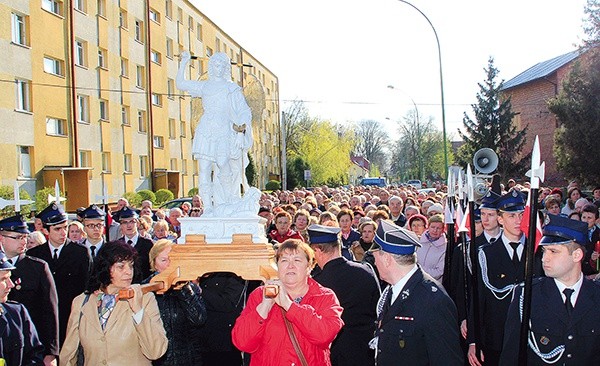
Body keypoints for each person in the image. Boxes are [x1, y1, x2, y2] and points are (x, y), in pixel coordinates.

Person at [499, 214, 600, 365]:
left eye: (553, 251)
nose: (545, 258)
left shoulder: (596, 295)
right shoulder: (528, 295)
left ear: (577, 255)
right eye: (544, 251)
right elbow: (511, 354)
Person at [231, 239, 344, 365]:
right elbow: (242, 342)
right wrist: (264, 307)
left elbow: (324, 336)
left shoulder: (324, 297)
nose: (290, 265)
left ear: (309, 267)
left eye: (297, 260)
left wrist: (289, 306)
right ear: (277, 266)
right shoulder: (259, 295)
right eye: (284, 260)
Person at [369, 220, 463, 365]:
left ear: (387, 259)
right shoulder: (392, 290)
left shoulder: (433, 301)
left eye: (375, 258)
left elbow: (447, 359)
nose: (374, 263)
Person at [59, 241, 168, 366]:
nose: (128, 272)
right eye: (121, 266)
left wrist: (138, 311)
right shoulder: (82, 302)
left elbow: (156, 351)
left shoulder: (144, 299)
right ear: (105, 268)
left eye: (131, 266)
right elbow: (68, 354)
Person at [467, 190, 542, 366]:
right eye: (511, 215)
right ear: (500, 219)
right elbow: (478, 298)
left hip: (531, 335)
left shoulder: (538, 252)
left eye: (522, 215)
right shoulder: (486, 253)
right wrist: (473, 339)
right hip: (495, 337)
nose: (518, 221)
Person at [177, 50, 252, 214]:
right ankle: (209, 207)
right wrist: (184, 62)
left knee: (223, 164)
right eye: (215, 64)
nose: (218, 68)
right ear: (211, 66)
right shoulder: (204, 86)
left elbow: (244, 111)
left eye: (221, 65)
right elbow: (181, 84)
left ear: (226, 68)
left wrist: (240, 131)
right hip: (205, 129)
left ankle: (227, 201)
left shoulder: (231, 88)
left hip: (224, 130)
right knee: (204, 169)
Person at [307, 225, 379, 366]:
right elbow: (377, 309)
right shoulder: (365, 271)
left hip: (333, 353)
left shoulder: (317, 283)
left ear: (317, 250)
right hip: (365, 351)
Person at [27, 203, 92, 347]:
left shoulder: (80, 253)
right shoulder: (34, 254)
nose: (63, 233)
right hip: (43, 321)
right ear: (45, 230)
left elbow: (87, 286)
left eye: (65, 227)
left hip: (71, 318)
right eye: (57, 229)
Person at [0, 214, 59, 366]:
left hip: (30, 343)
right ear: (1, 238)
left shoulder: (37, 267)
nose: (23, 241)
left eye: (25, 237)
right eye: (18, 237)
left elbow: (50, 311)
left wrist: (51, 352)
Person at [144, 240, 207, 366]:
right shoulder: (145, 289)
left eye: (172, 259)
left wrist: (183, 289)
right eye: (163, 260)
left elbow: (199, 319)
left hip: (188, 358)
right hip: (157, 359)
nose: (169, 264)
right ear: (154, 264)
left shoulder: (189, 287)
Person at [0, 251, 45, 365]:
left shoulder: (17, 313)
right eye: (4, 279)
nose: (11, 285)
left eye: (9, 278)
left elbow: (34, 356)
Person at [117, 206, 154, 282]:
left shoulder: (148, 244)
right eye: (124, 222)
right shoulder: (118, 245)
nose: (128, 225)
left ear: (137, 223)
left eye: (132, 221)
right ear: (120, 225)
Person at [416, 213, 447, 282]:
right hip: (414, 281)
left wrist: (419, 271)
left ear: (442, 230)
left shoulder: (444, 247)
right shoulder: (418, 241)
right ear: (428, 227)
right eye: (432, 227)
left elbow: (439, 272)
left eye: (438, 228)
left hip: (432, 284)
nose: (435, 230)